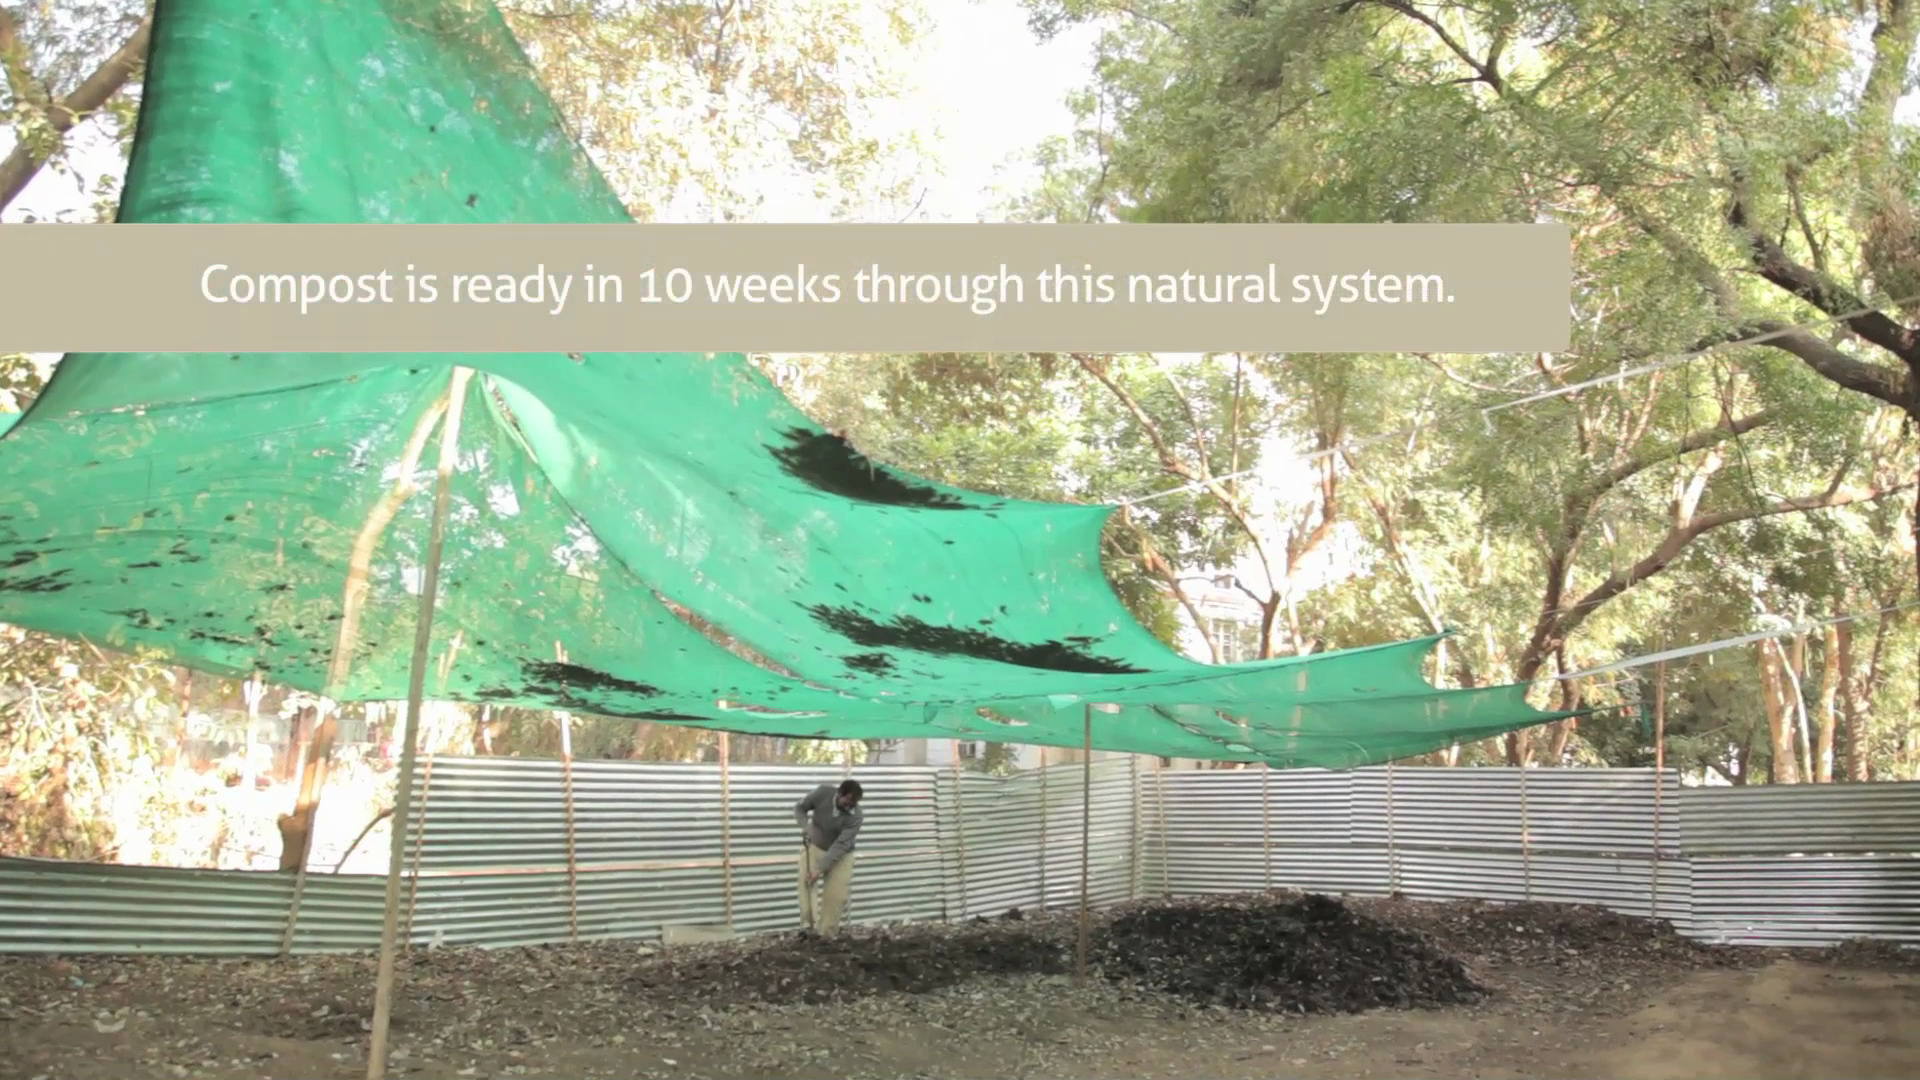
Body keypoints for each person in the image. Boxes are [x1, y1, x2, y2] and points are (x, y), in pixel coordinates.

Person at [794, 778, 863, 935]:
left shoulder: (856, 817)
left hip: (841, 854)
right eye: (846, 803)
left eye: (853, 805)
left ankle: (826, 935)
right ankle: (809, 928)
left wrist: (818, 870)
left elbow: (840, 846)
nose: (849, 808)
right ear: (839, 793)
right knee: (806, 884)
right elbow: (799, 808)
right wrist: (806, 826)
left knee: (835, 897)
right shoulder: (822, 793)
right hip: (815, 845)